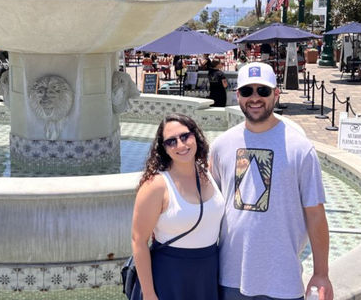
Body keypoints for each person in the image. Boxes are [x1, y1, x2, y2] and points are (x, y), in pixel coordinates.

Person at [210, 62, 333, 300]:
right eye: (247, 91)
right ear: (238, 95)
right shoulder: (221, 146)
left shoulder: (300, 148)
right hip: (230, 277)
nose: (255, 98)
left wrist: (321, 273)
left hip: (282, 279)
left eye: (263, 91)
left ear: (276, 94)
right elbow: (210, 207)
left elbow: (316, 214)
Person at [130, 114, 224, 300]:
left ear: (195, 136)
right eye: (171, 141)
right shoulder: (156, 185)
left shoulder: (208, 172)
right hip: (170, 276)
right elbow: (138, 241)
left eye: (185, 136)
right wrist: (149, 294)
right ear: (163, 149)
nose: (180, 145)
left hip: (208, 272)